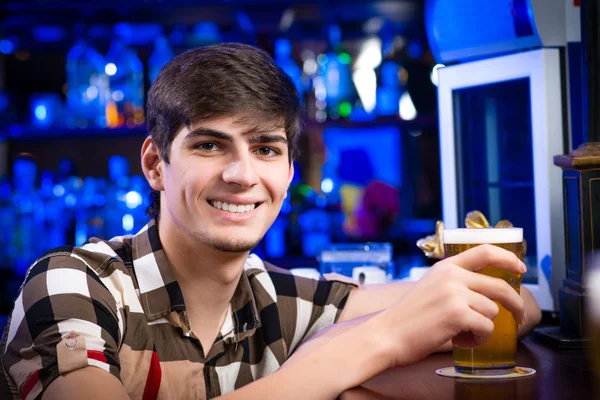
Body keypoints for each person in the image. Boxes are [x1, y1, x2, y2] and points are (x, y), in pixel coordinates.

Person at [0, 43, 541, 400]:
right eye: (210, 145)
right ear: (154, 164)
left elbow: (512, 308)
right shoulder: (72, 282)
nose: (242, 174)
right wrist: (372, 344)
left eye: (265, 148)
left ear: (287, 172)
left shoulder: (280, 301)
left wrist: (480, 288)